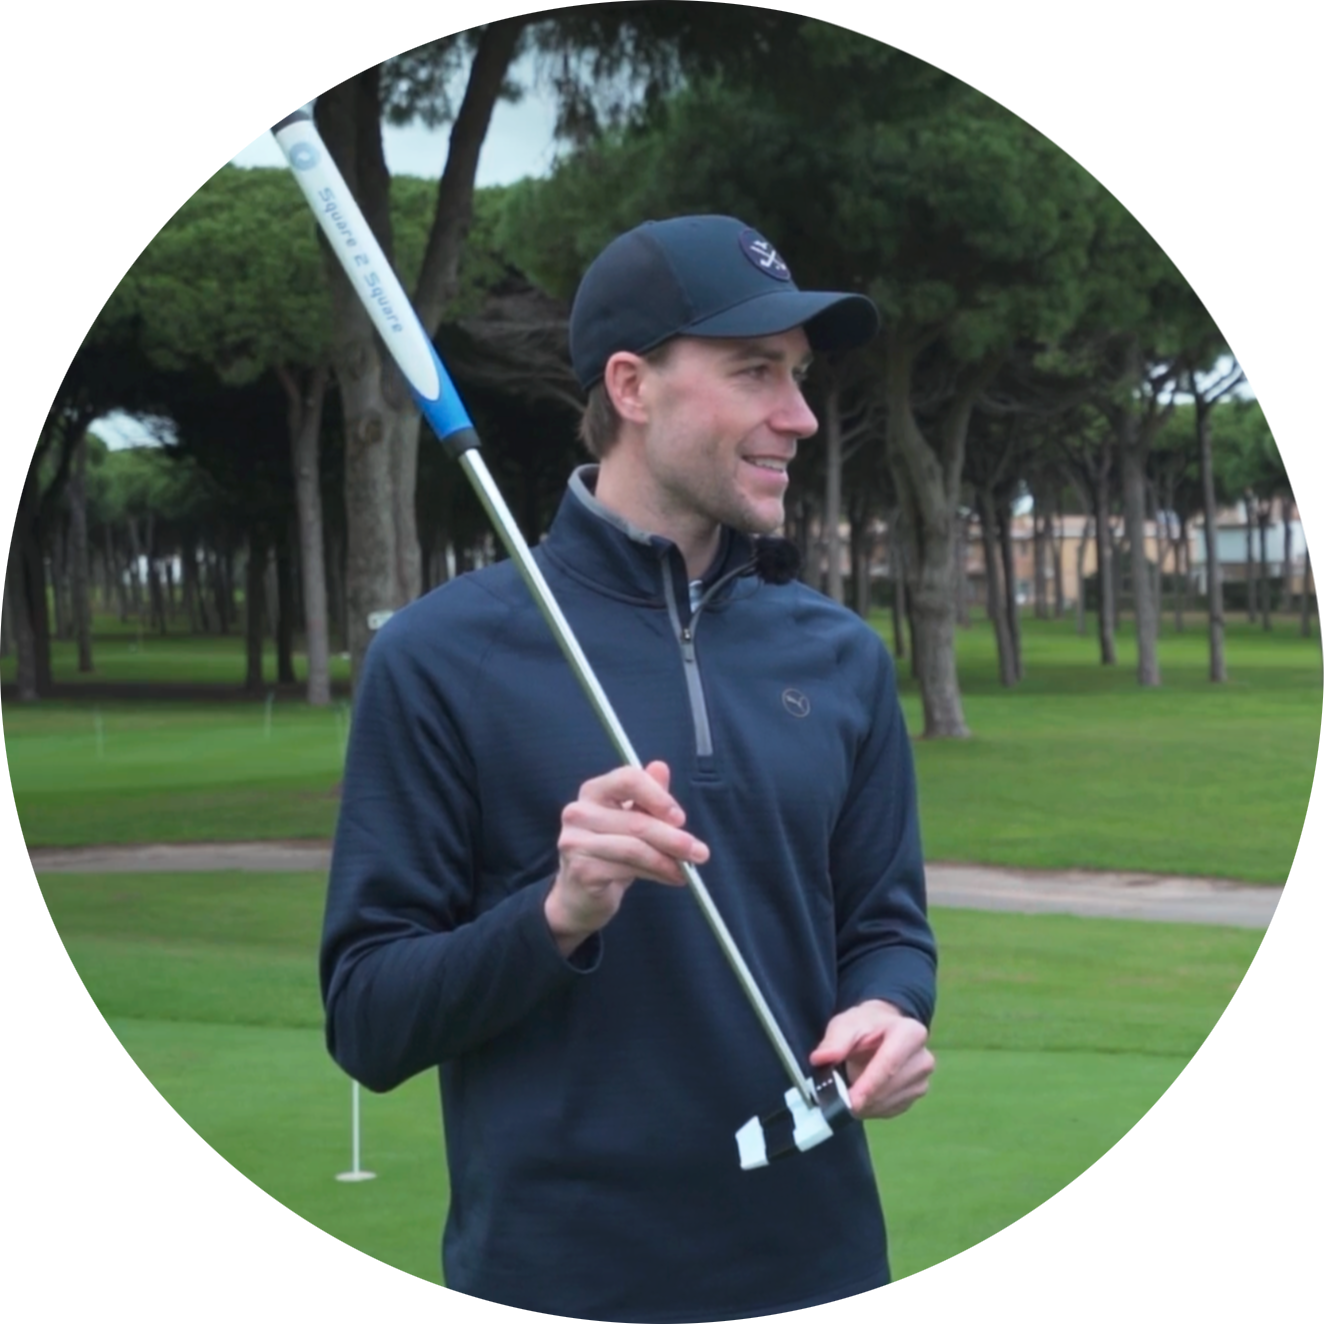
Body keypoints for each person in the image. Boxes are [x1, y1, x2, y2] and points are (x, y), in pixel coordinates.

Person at [321, 214, 937, 1318]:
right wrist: (555, 912)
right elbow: (368, 1018)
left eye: (797, 377)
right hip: (559, 1277)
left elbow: (885, 926)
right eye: (755, 372)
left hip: (822, 1260)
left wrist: (889, 1010)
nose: (797, 417)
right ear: (632, 386)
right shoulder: (440, 657)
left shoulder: (839, 656)